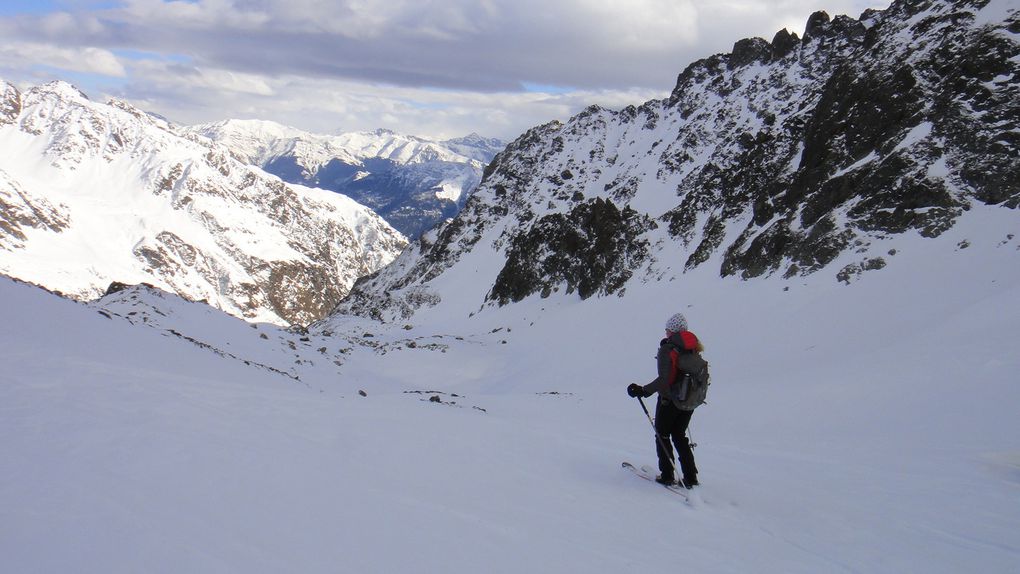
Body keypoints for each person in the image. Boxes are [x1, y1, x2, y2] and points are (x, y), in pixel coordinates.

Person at [627, 312, 705, 489]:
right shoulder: (693, 348)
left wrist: (643, 391)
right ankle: (691, 477)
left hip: (669, 400)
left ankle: (668, 475)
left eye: (667, 329)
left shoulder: (668, 349)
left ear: (672, 330)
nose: (666, 332)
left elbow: (665, 379)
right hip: (689, 400)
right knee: (679, 435)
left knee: (662, 434)